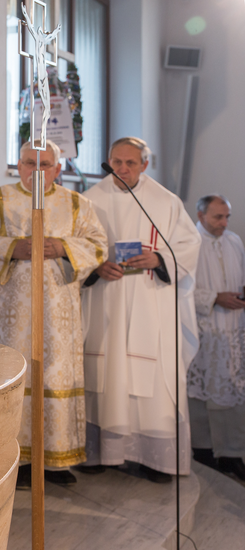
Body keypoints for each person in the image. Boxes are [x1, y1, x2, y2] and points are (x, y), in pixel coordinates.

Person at [0, 139, 107, 488]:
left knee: (53, 377)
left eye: (45, 165)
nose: (37, 171)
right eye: (30, 163)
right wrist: (14, 247)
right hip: (8, 315)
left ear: (58, 169)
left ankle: (54, 460)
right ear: (19, 164)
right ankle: (13, 459)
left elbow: (98, 245)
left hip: (58, 315)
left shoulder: (77, 204)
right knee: (13, 376)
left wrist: (63, 247)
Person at [81, 136, 201, 483]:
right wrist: (97, 266)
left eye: (130, 163)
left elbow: (190, 247)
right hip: (106, 299)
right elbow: (77, 248)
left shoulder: (164, 202)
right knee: (104, 374)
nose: (122, 169)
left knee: (152, 379)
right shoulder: (89, 200)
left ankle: (154, 460)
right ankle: (101, 452)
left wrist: (160, 258)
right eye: (116, 162)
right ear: (108, 161)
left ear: (144, 165)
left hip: (151, 303)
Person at [187, 194, 245, 480]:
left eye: (226, 217)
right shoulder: (189, 243)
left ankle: (232, 453)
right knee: (200, 393)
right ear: (201, 216)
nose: (223, 223)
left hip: (233, 330)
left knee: (232, 391)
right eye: (217, 217)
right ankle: (203, 450)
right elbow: (181, 289)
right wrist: (214, 298)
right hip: (203, 331)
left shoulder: (234, 241)